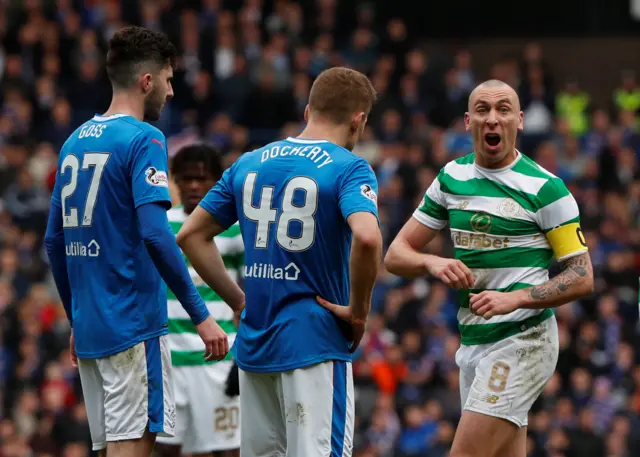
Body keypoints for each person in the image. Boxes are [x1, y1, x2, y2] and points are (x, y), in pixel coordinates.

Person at [43, 26, 241, 457]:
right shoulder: (145, 139)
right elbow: (155, 233)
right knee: (134, 448)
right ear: (146, 80)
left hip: (93, 327)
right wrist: (201, 315)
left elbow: (54, 240)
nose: (171, 92)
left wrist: (75, 318)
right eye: (169, 80)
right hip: (133, 325)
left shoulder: (74, 141)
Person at [176, 66, 383, 457]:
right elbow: (368, 237)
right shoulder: (349, 167)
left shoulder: (249, 162)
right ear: (359, 120)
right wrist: (359, 311)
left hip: (256, 345)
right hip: (315, 343)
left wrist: (239, 301)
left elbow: (190, 236)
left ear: (308, 111)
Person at [384, 79, 595, 457]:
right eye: (482, 110)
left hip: (524, 339)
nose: (493, 119)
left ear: (520, 120)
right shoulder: (452, 178)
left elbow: (582, 276)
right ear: (468, 121)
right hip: (474, 341)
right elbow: (396, 255)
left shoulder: (547, 189)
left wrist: (512, 299)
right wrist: (434, 262)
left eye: (503, 109)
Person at [155, 144, 243, 457]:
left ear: (217, 181)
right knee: (165, 450)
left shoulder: (233, 229)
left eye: (202, 179)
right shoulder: (160, 225)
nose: (194, 185)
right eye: (187, 178)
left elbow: (252, 294)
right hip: (168, 359)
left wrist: (243, 354)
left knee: (227, 451)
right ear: (175, 181)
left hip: (220, 360)